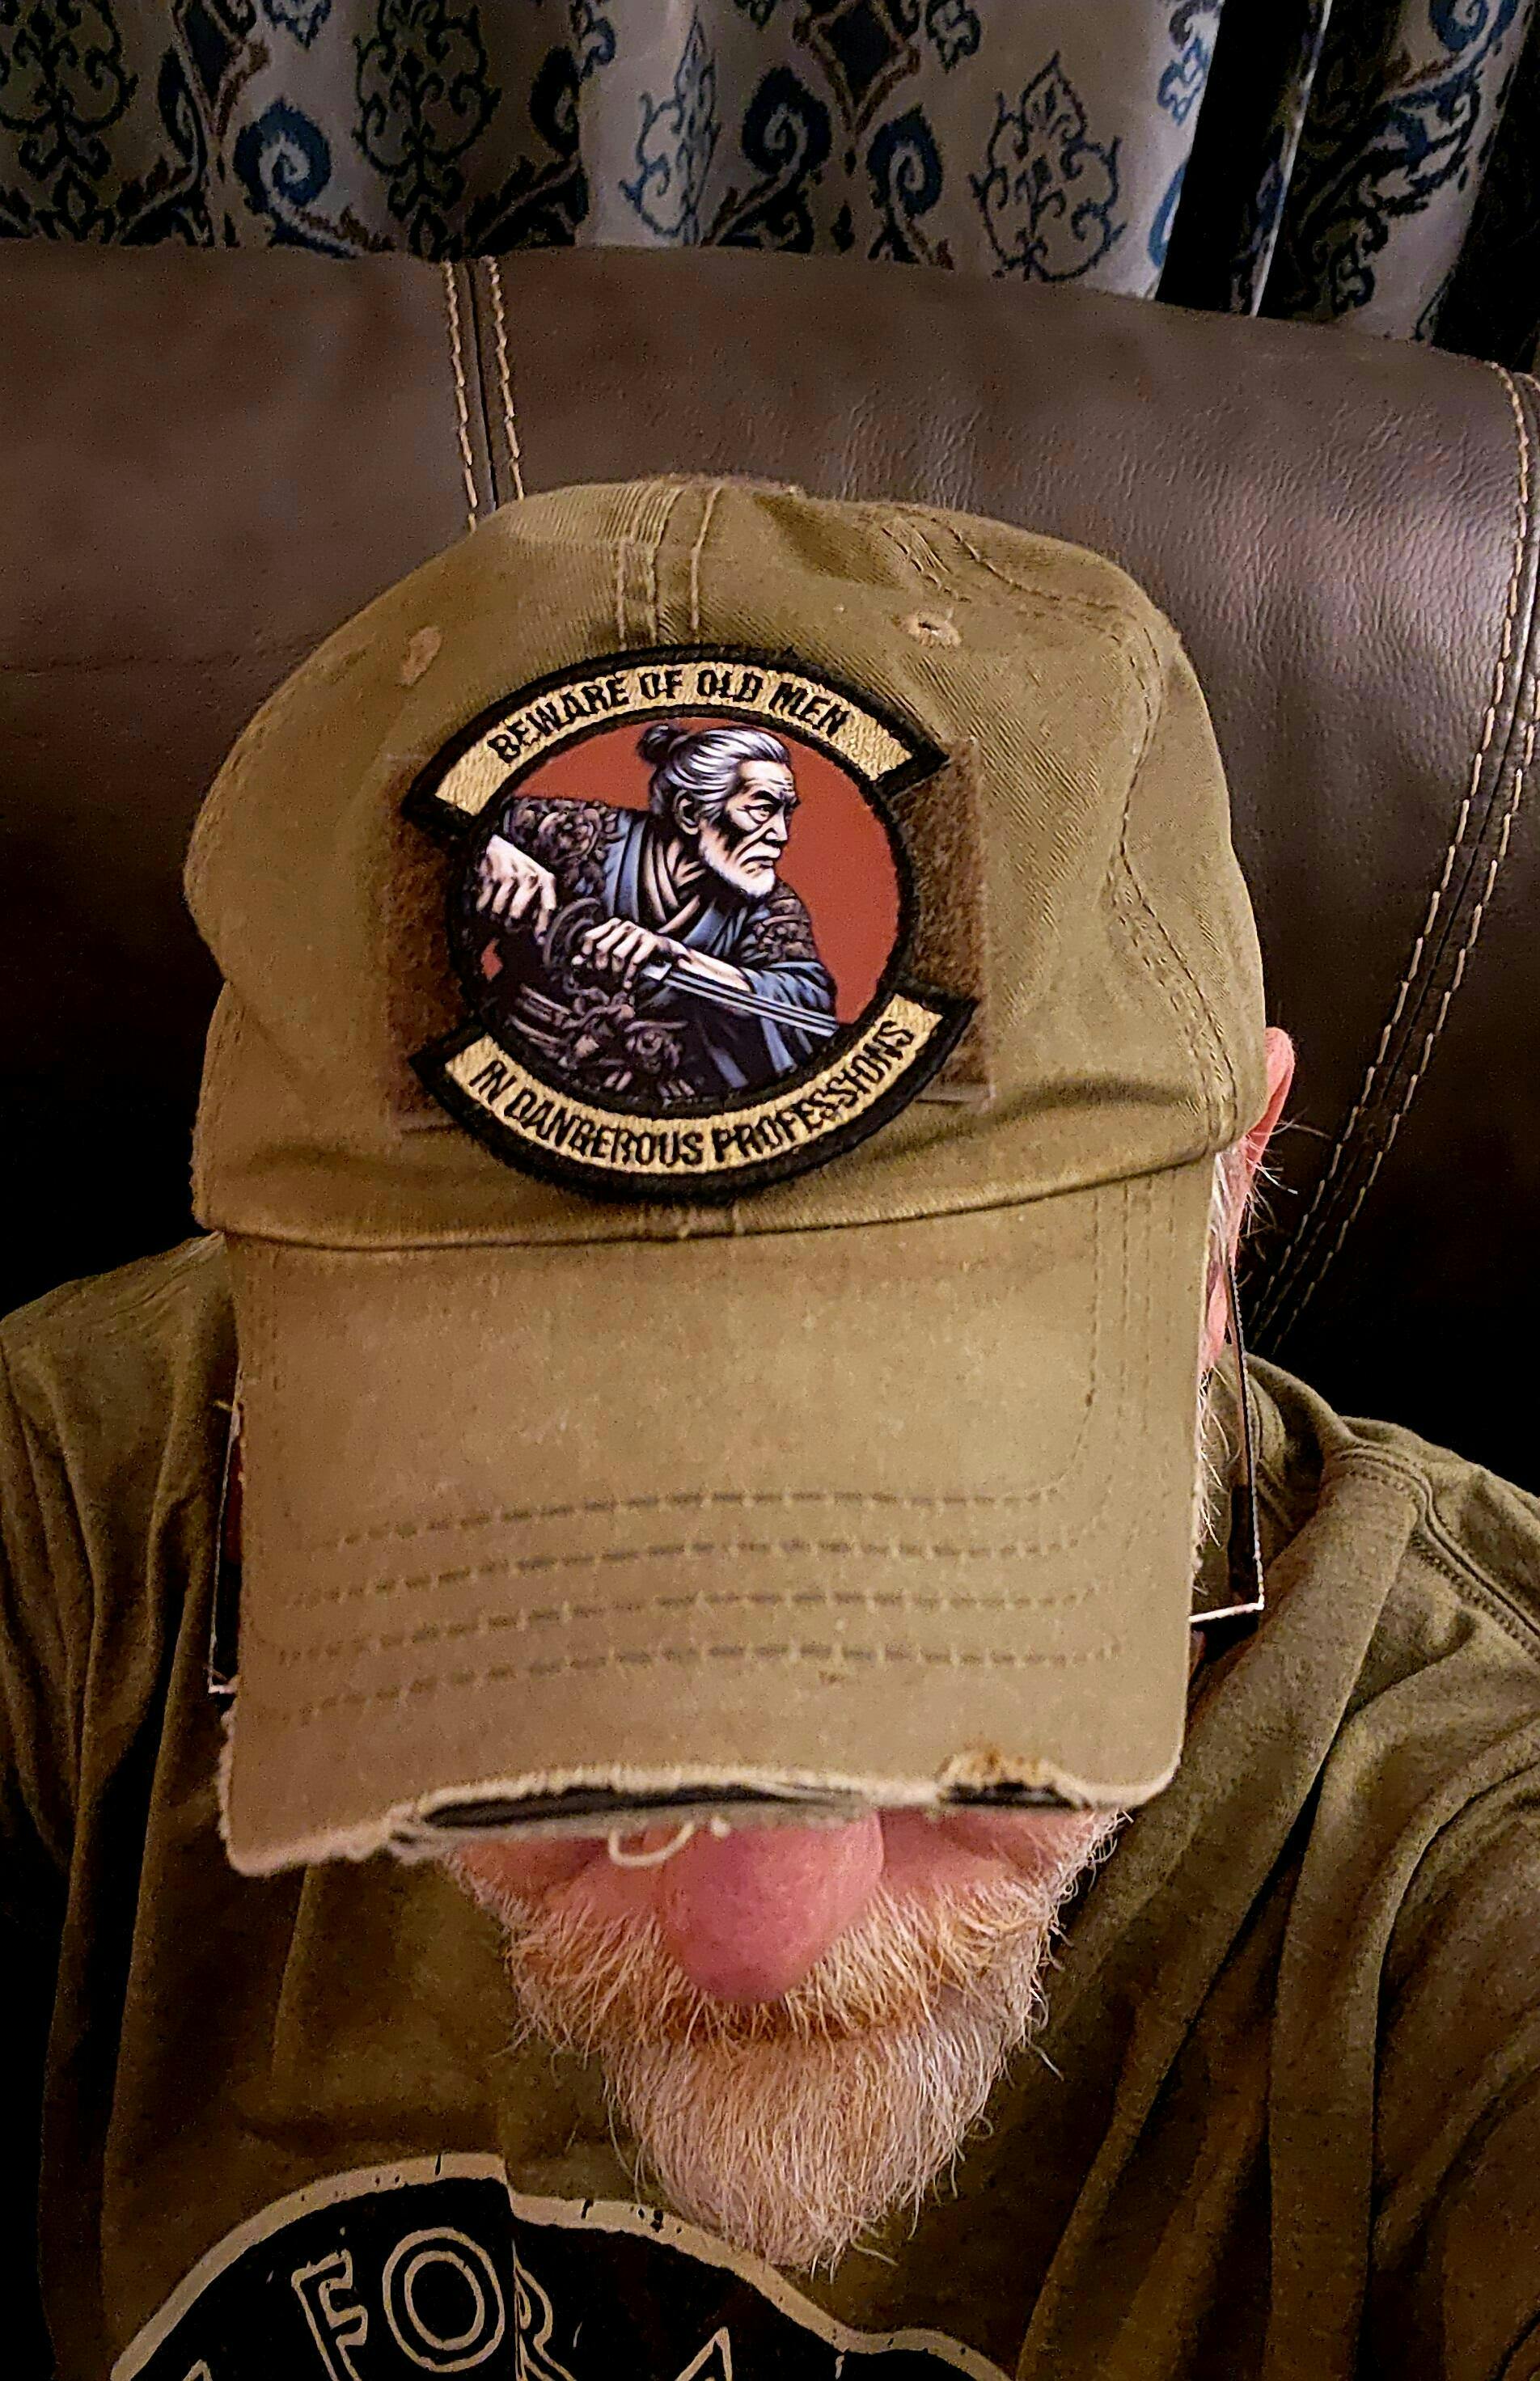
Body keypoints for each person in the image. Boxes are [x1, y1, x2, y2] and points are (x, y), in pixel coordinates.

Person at [4, 476, 1538, 2381]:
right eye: (530, 1620)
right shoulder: (95, 1520)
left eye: (955, 1624)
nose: (759, 1927)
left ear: (1226, 1216)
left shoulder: (1454, 1876)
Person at [472, 721, 837, 1102]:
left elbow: (804, 1005)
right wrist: (489, 848)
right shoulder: (584, 835)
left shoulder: (768, 904)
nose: (781, 834)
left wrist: (680, 958)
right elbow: (457, 817)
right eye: (762, 809)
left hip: (663, 1105)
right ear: (690, 812)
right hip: (509, 1071)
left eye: (785, 814)